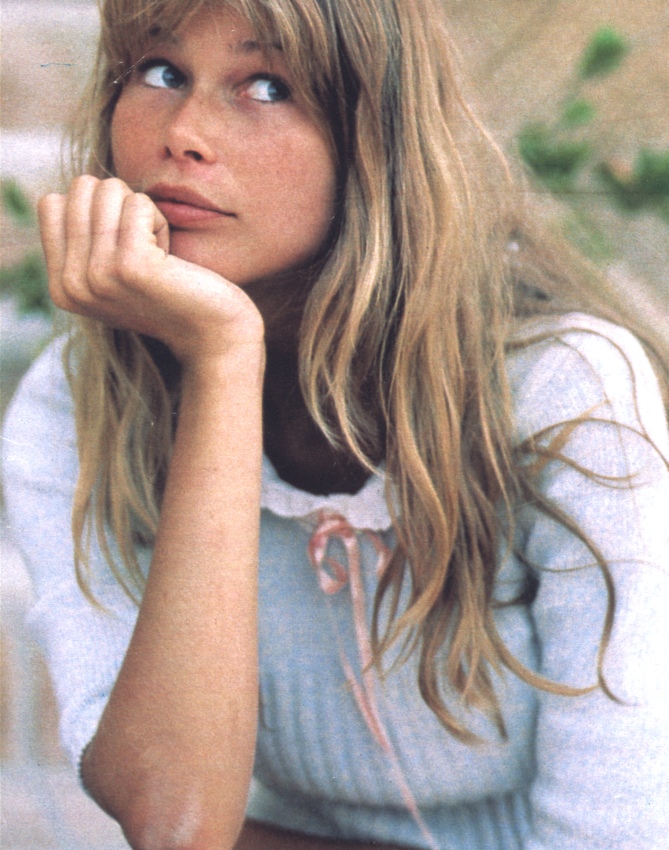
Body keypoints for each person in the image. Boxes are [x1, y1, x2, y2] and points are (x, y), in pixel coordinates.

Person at [3, 0, 669, 848]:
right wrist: (221, 362)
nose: (184, 134)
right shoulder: (77, 405)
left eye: (266, 86)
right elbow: (176, 825)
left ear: (376, 141)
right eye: (160, 72)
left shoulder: (559, 386)